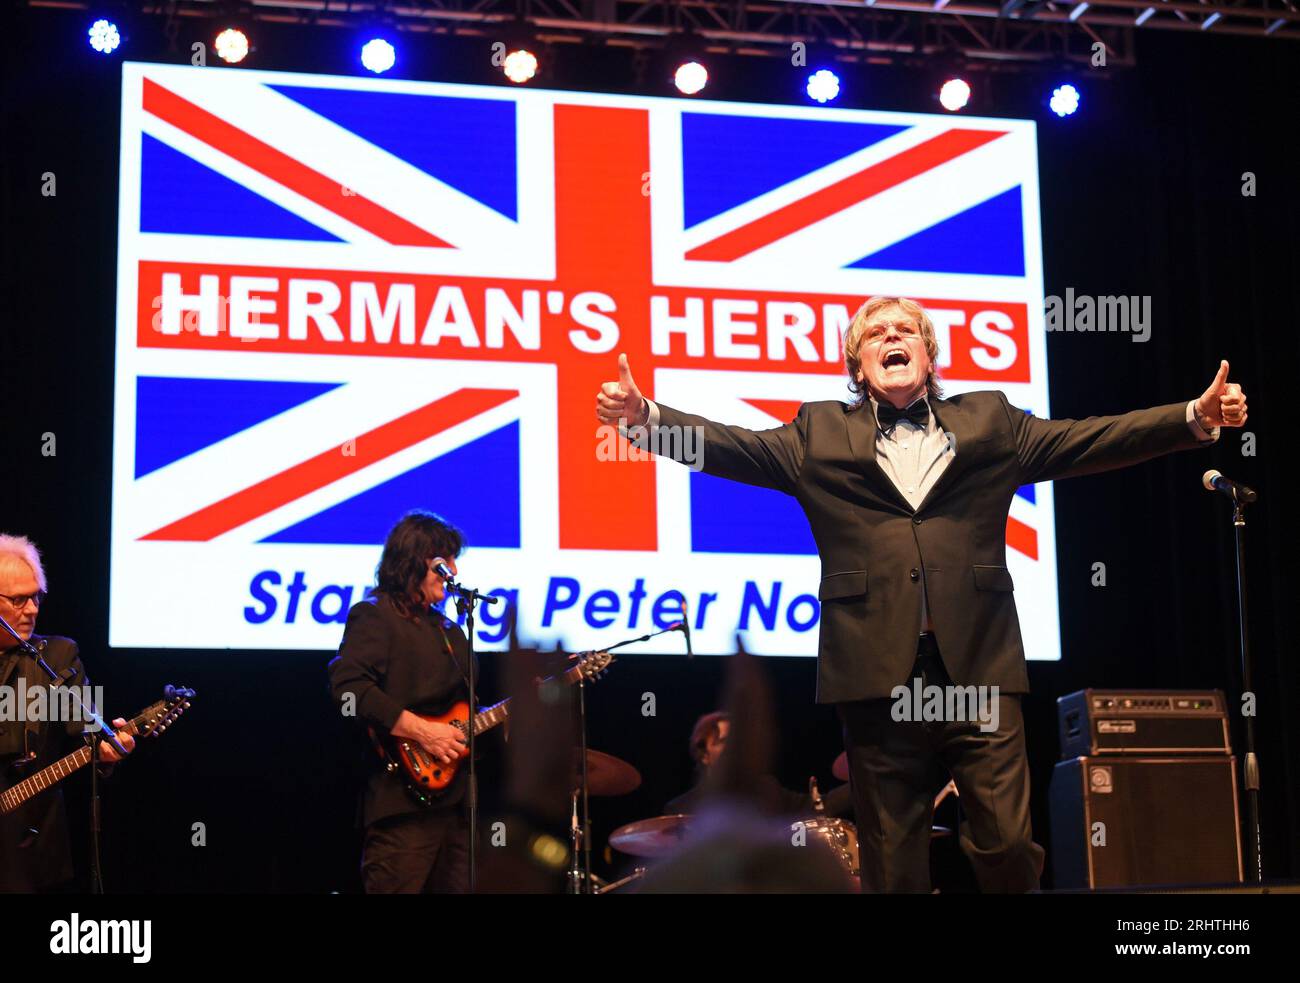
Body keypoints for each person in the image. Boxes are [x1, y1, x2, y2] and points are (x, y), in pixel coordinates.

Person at [596, 295, 1247, 892]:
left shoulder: (990, 420)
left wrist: (1192, 417)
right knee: (893, 857)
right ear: (858, 364)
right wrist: (646, 420)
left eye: (905, 329)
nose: (892, 337)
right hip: (877, 674)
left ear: (928, 354)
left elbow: (1090, 439)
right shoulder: (818, 433)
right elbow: (729, 447)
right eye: (876, 333)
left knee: (1009, 844)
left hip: (979, 665)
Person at [328, 510, 476, 894]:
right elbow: (347, 689)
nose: (454, 572)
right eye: (445, 561)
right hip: (402, 804)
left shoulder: (450, 630)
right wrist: (422, 731)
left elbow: (466, 714)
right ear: (414, 561)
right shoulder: (375, 615)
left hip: (458, 806)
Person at [0, 534, 134, 893]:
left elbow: (89, 728)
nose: (31, 609)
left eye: (36, 597)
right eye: (17, 599)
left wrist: (108, 749)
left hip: (26, 847)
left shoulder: (57, 657)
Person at [665, 711, 851, 819]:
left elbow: (820, 806)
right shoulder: (681, 810)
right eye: (724, 741)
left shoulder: (766, 789)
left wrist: (866, 780)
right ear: (704, 755)